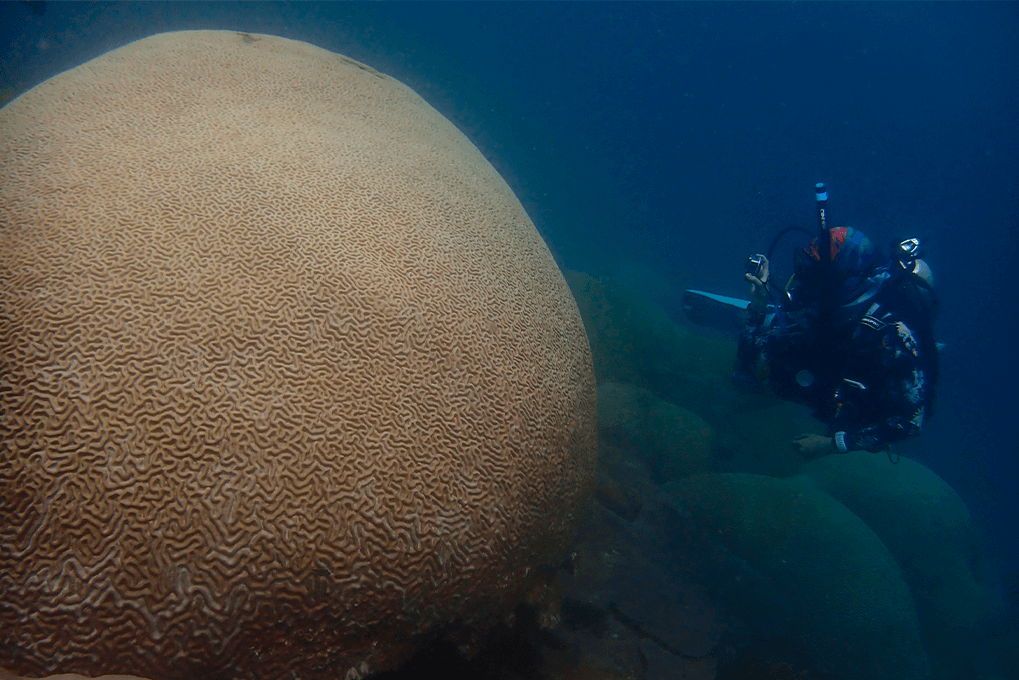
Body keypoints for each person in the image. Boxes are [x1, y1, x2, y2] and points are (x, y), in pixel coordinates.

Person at [734, 226, 940, 458]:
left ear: (837, 280)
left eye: (814, 274)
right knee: (748, 377)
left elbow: (911, 421)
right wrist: (758, 305)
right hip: (830, 375)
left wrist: (833, 444)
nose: (803, 283)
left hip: (858, 402)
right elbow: (750, 363)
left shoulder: (890, 332)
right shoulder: (820, 309)